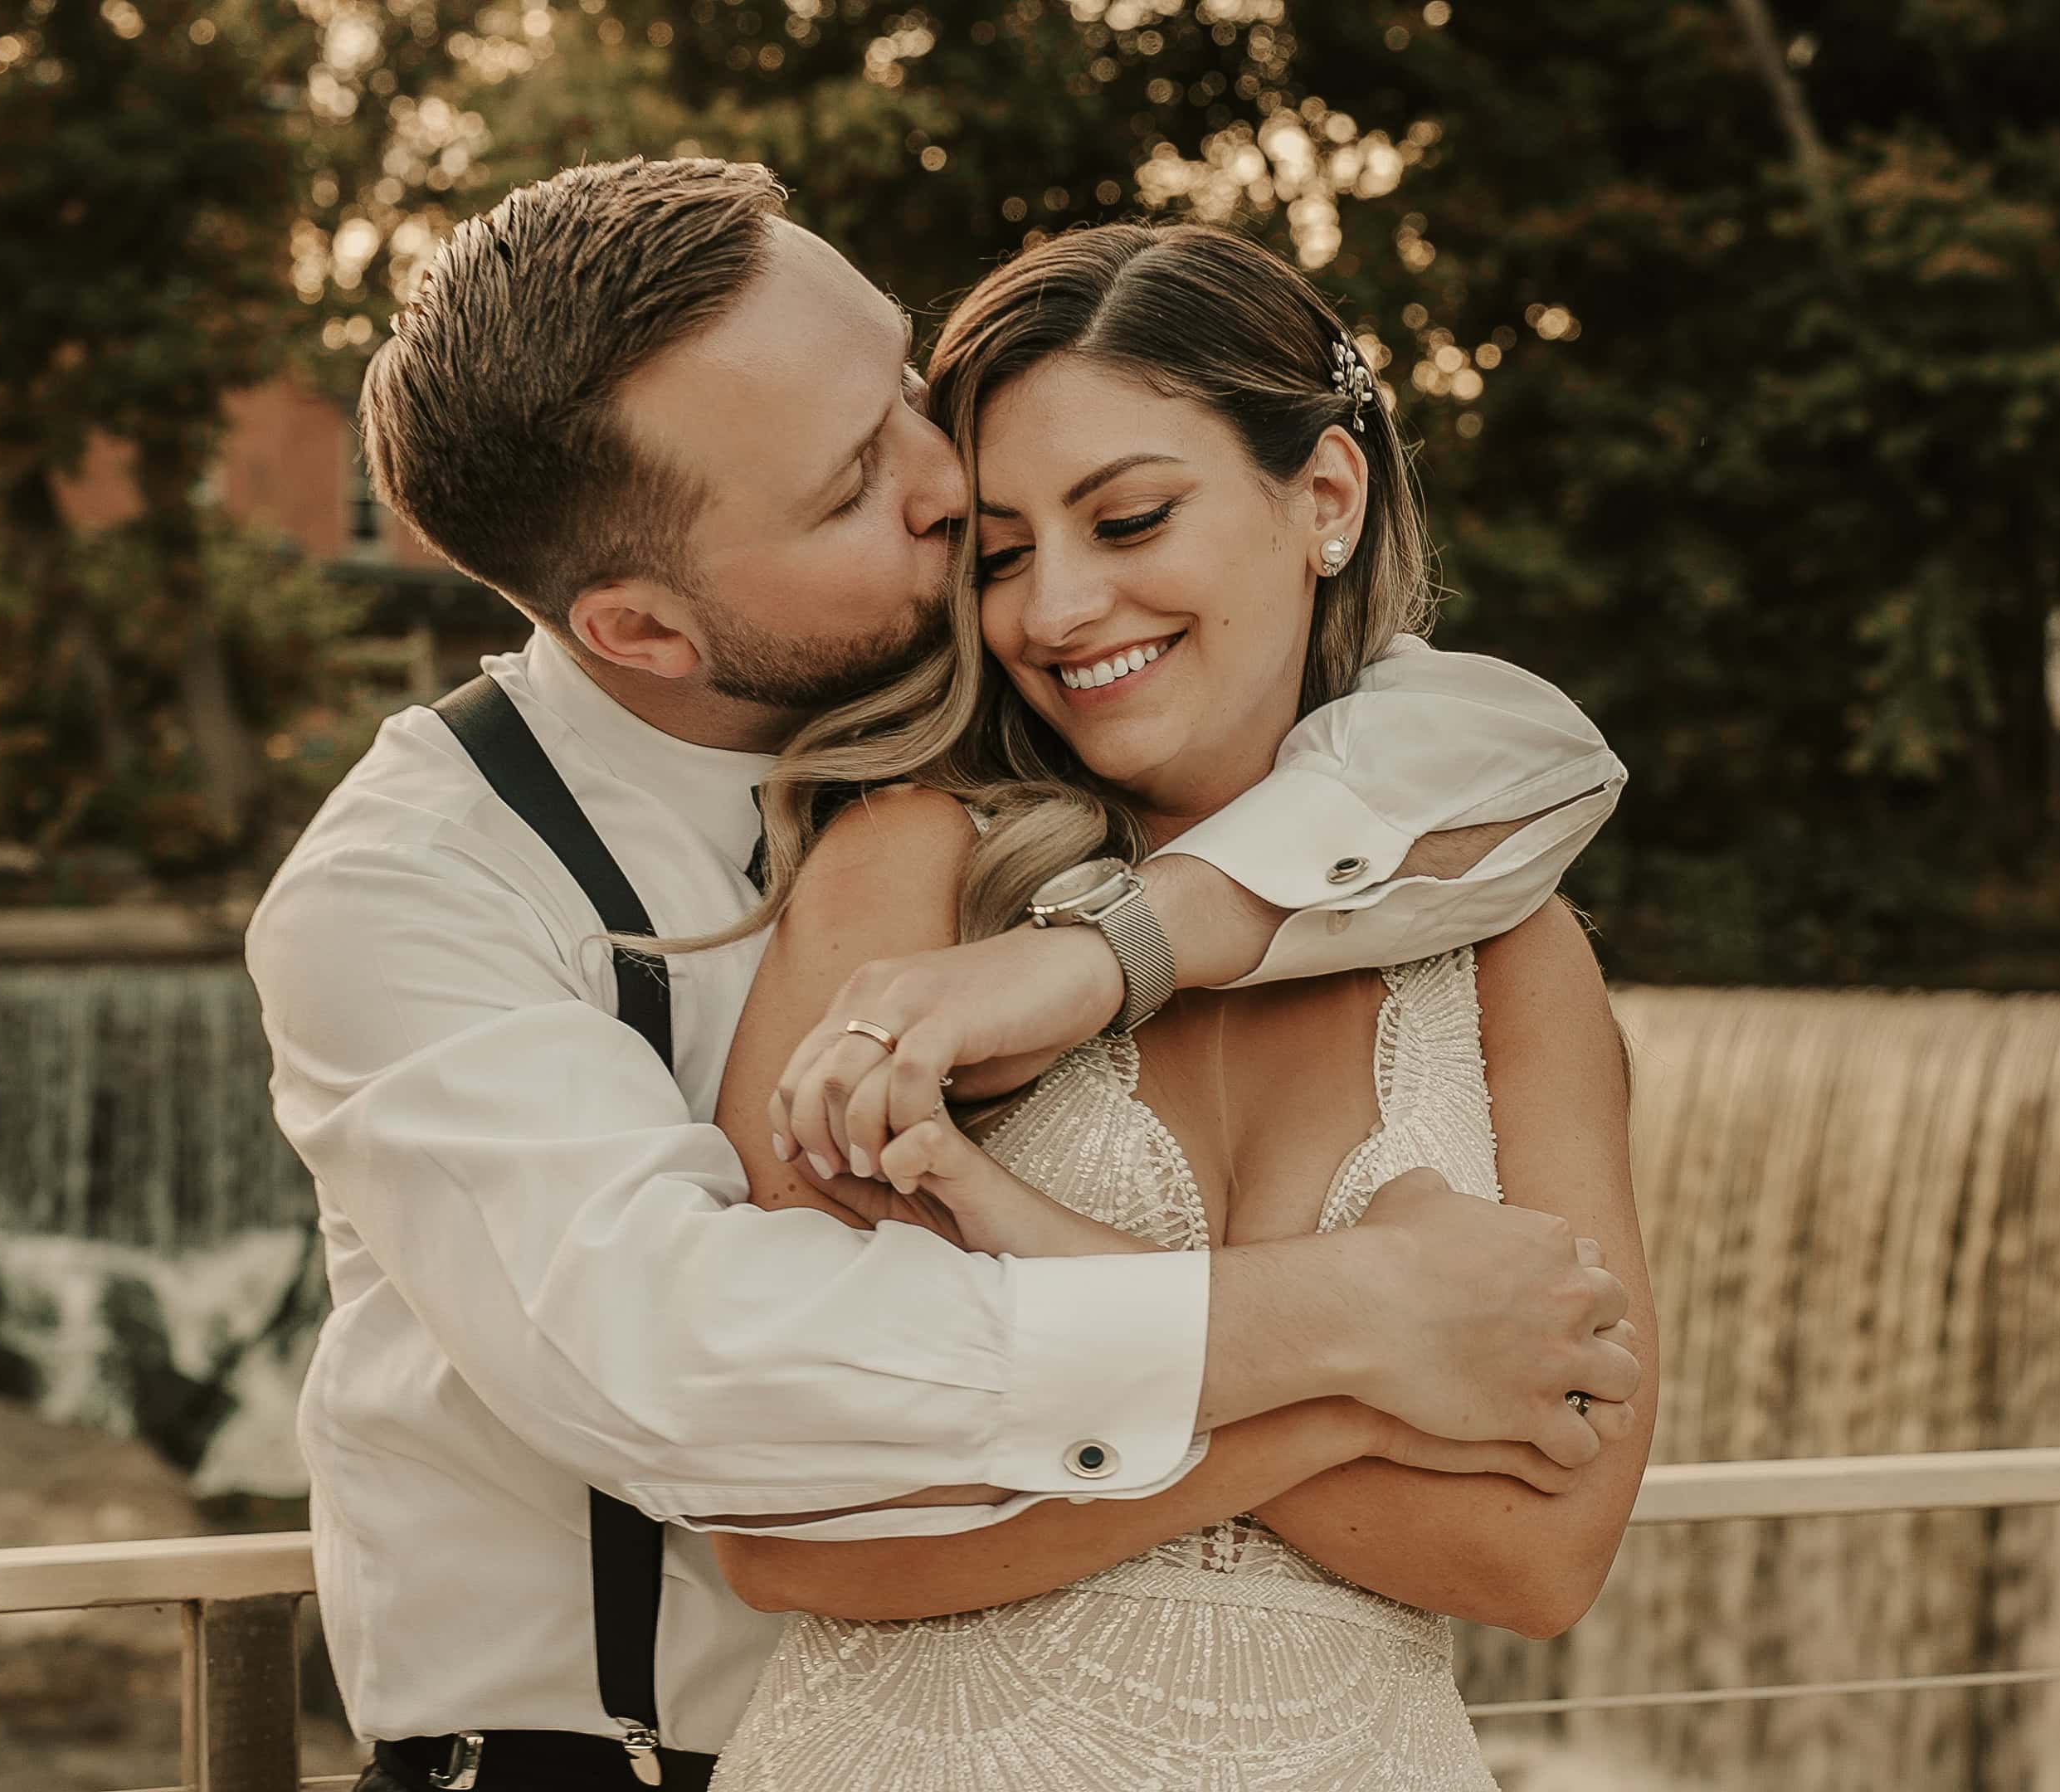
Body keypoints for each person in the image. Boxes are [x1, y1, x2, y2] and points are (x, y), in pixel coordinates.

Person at [248, 157, 1638, 1792]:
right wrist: (1366, 1328)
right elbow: (709, 1381)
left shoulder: (1056, 732)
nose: (942, 473)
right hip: (606, 1761)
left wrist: (1112, 956)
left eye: (905, 386)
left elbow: (1492, 737)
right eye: (851, 488)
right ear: (641, 628)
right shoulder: (410, 894)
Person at [693, 222, 1653, 1791]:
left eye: (1129, 517)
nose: (1057, 609)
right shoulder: (911, 876)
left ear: (1324, 498)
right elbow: (790, 1521)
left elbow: (1538, 1559)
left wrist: (1037, 1280)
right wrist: (1388, 1354)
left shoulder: (1514, 954)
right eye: (999, 554)